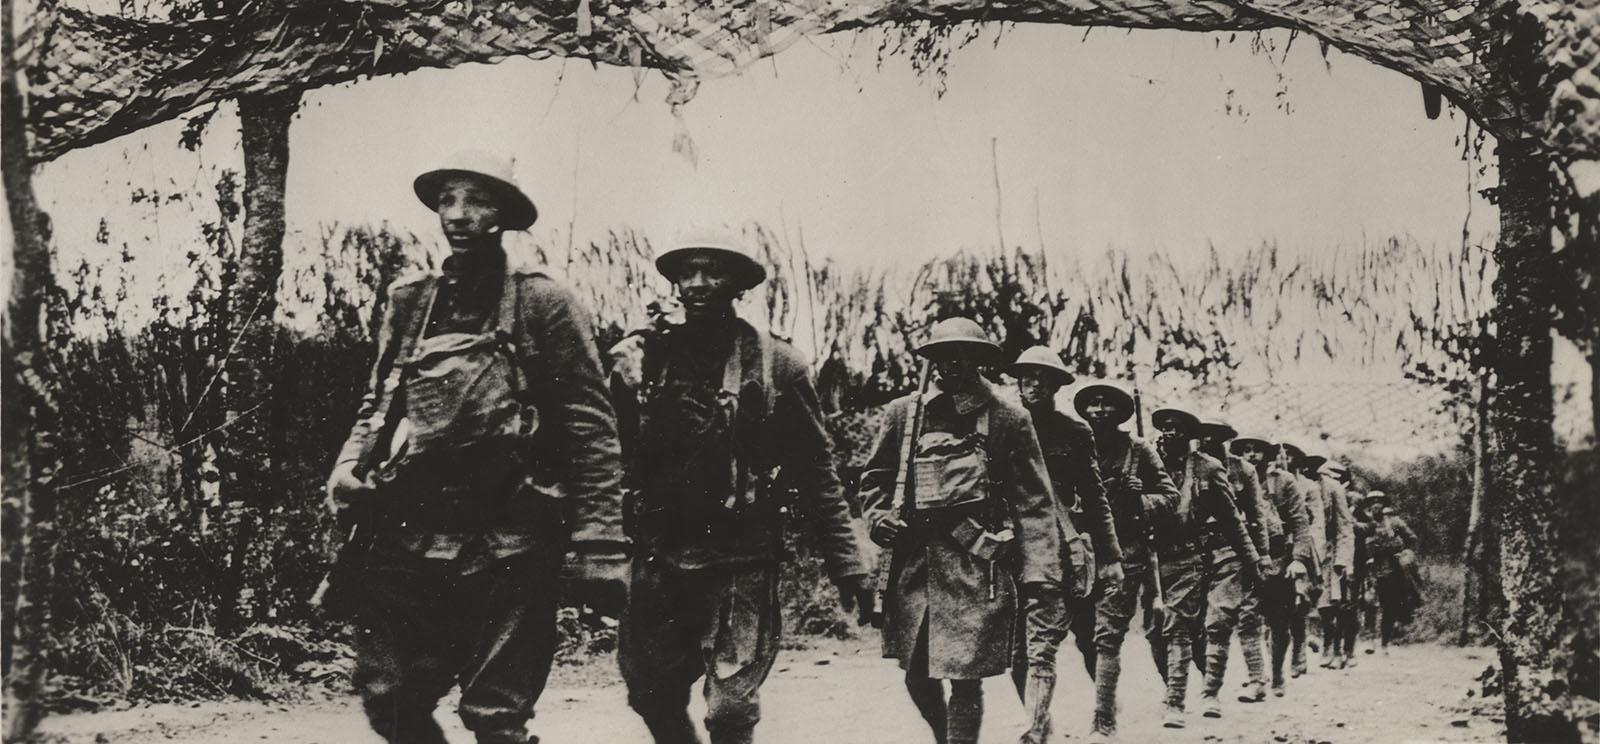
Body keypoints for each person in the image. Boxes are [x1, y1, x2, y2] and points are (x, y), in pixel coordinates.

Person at [325, 152, 628, 744]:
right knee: (389, 696)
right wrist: (347, 463)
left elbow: (592, 427)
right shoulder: (410, 300)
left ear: (505, 214)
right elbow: (381, 400)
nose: (458, 215)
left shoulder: (545, 302)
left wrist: (600, 541)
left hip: (514, 533)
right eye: (447, 200)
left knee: (494, 715)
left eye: (476, 201)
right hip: (412, 528)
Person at [611, 228, 873, 744]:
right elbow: (605, 452)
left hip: (740, 557)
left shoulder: (778, 365)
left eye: (713, 271)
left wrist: (848, 566)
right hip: (660, 553)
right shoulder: (642, 358)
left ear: (738, 283)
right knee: (650, 693)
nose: (699, 283)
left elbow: (818, 472)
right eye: (688, 272)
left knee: (731, 707)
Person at [862, 318, 1060, 744]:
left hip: (976, 565)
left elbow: (1034, 502)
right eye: (941, 354)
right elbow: (874, 480)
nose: (951, 362)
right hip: (913, 564)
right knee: (916, 673)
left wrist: (1041, 570)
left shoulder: (1009, 417)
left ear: (981, 360)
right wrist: (880, 518)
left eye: (963, 354)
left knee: (965, 678)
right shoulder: (904, 413)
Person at [1005, 347, 1124, 744]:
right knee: (1016, 650)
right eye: (1027, 376)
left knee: (1056, 642)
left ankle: (1043, 728)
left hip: (1059, 547)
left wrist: (1110, 558)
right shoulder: (1001, 425)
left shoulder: (1074, 433)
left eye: (1043, 377)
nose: (1033, 384)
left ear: (1057, 384)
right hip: (1008, 548)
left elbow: (1095, 497)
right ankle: (1038, 718)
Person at [1074, 382, 1179, 740]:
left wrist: (1141, 498)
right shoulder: (1075, 445)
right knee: (1084, 636)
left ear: (1120, 413)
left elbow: (1171, 498)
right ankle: (1107, 697)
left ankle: (1103, 720)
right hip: (1082, 555)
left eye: (1107, 405)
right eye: (1093, 404)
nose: (1100, 410)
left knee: (1108, 636)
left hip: (1126, 553)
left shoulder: (1139, 450)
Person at [1147, 407, 1262, 729]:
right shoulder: (1148, 464)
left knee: (1206, 623)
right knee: (1162, 629)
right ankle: (1173, 695)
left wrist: (1254, 560)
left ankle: (1198, 696)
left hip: (1197, 554)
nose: (1171, 433)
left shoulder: (1208, 469)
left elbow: (1233, 520)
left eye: (1178, 429)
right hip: (1158, 558)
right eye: (1166, 428)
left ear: (1190, 435)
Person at [1193, 421, 1274, 717]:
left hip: (1237, 551)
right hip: (1198, 553)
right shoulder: (1191, 465)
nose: (1210, 440)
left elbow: (1257, 514)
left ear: (1227, 440)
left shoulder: (1242, 470)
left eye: (1218, 436)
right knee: (1196, 623)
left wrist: (1262, 556)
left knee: (1226, 618)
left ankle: (1213, 692)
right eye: (1204, 435)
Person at [1231, 438, 1313, 698]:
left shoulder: (1283, 481)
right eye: (1246, 450)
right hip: (1245, 557)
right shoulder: (1233, 478)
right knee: (1247, 617)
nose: (1252, 455)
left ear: (1267, 454)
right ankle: (1257, 679)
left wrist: (1299, 558)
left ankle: (1277, 673)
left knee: (1279, 622)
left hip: (1279, 558)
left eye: (1257, 450)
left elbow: (1300, 522)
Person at [1305, 457, 1354, 671]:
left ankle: (1333, 649)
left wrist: (1343, 559)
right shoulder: (1295, 484)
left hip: (1328, 552)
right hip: (1303, 550)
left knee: (1332, 605)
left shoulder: (1332, 488)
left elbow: (1345, 527)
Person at [1364, 491, 1421, 651]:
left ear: (1384, 504)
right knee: (1369, 604)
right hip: (1369, 568)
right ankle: (1369, 639)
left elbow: (1412, 539)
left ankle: (1384, 642)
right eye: (1372, 502)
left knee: (1389, 606)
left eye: (1379, 502)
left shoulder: (1394, 522)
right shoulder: (1364, 523)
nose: (1376, 505)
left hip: (1390, 568)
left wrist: (1406, 553)